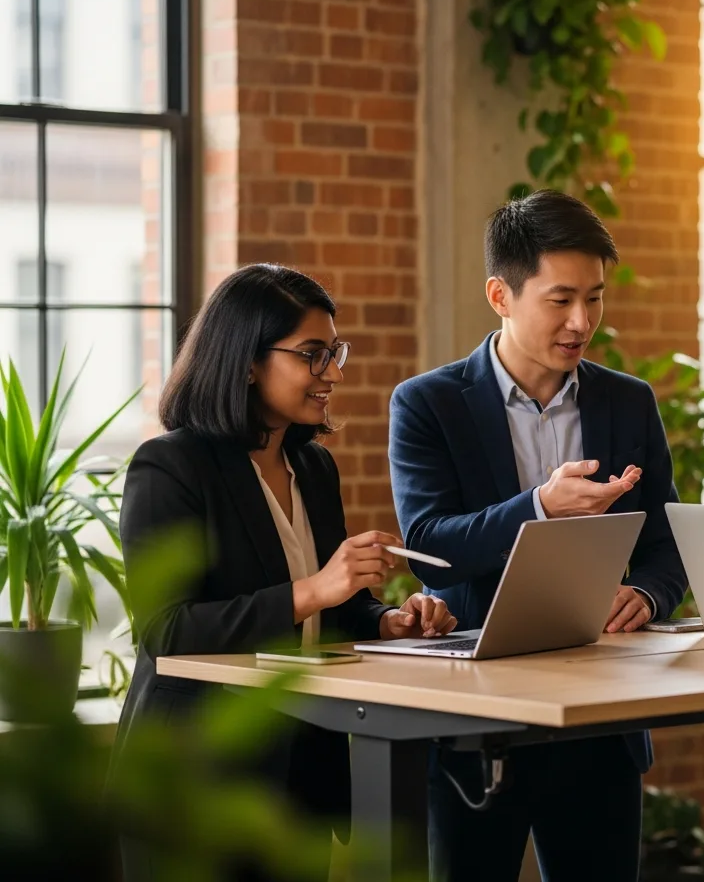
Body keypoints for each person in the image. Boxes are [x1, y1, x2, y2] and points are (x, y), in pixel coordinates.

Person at [114, 264, 457, 880]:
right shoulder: (169, 467)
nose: (333, 372)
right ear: (247, 361)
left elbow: (331, 612)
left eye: (335, 352)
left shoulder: (316, 469)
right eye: (313, 355)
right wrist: (315, 588)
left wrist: (387, 620)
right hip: (194, 779)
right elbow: (165, 631)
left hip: (298, 772)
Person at [389, 189, 689, 881]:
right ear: (501, 294)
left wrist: (648, 592)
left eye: (595, 298)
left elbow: (667, 538)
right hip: (476, 721)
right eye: (560, 300)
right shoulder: (428, 403)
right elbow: (431, 546)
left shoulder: (627, 401)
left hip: (601, 719)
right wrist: (540, 507)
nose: (581, 321)